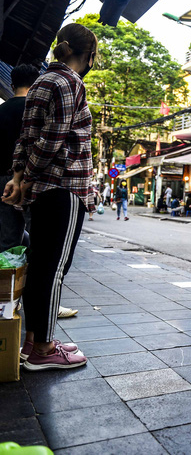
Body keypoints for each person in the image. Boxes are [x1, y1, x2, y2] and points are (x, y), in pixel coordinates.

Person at [2, 23, 99, 370]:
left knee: (41, 265)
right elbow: (53, 139)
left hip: (44, 190)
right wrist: (26, 176)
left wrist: (19, 175)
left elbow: (25, 139)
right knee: (53, 269)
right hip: (65, 186)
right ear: (87, 54)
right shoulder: (71, 83)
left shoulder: (42, 81)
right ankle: (43, 349)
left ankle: (33, 342)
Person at [0, 64, 39, 252]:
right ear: (35, 86)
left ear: (12, 84)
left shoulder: (2, 110)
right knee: (39, 238)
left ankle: (9, 280)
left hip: (2, 183)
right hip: (30, 181)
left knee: (7, 241)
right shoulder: (36, 112)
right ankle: (33, 280)